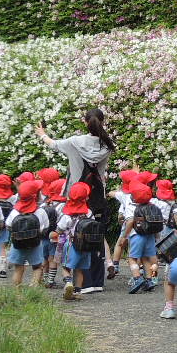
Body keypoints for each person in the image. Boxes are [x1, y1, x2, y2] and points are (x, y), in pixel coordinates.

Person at [36, 109, 115, 293]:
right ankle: (96, 281)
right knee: (96, 234)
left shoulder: (74, 142)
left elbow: (53, 144)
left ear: (85, 121)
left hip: (77, 196)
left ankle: (79, 281)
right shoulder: (107, 144)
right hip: (97, 196)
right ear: (102, 121)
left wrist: (42, 134)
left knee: (75, 234)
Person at [120, 182, 163, 294]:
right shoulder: (154, 207)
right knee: (146, 258)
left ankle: (137, 278)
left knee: (132, 258)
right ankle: (149, 280)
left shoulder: (133, 208)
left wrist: (124, 237)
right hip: (150, 236)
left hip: (137, 235)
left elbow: (130, 222)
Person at [57, 181, 97, 301]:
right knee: (79, 269)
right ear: (86, 198)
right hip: (86, 246)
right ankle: (77, 291)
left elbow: (59, 229)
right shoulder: (89, 213)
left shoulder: (67, 215)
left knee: (65, 267)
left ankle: (68, 283)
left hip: (71, 244)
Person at [5, 179, 48, 288]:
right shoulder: (40, 211)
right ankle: (33, 289)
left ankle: (17, 291)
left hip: (18, 244)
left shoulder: (15, 212)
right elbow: (45, 227)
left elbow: (8, 225)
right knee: (37, 267)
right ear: (36, 196)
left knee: (18, 268)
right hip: (35, 244)